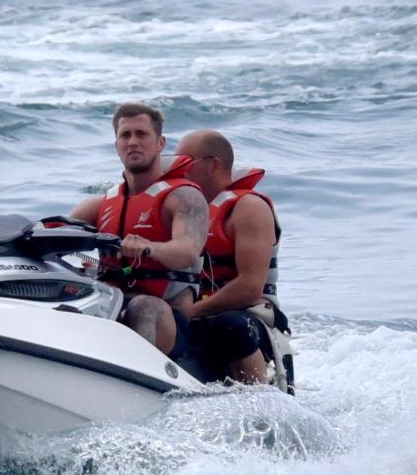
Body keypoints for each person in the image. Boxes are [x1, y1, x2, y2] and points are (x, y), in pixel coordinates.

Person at [70, 103, 209, 357]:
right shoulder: (101, 205)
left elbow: (188, 251)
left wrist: (149, 247)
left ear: (161, 143)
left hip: (169, 317)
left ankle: (134, 380)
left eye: (141, 134)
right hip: (113, 301)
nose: (133, 142)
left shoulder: (184, 197)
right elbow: (59, 233)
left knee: (143, 306)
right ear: (116, 146)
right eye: (125, 135)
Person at [174, 129, 293, 390]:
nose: (176, 168)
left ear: (213, 164)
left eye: (185, 161)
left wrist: (191, 312)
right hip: (196, 313)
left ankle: (261, 408)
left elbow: (250, 288)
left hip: (250, 317)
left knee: (230, 326)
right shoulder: (180, 211)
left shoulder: (248, 208)